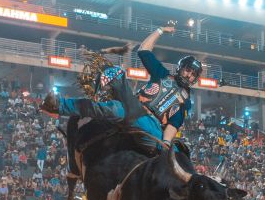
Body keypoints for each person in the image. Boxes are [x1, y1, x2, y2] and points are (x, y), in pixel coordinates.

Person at [41, 26, 202, 151]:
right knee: (114, 81)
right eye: (188, 70)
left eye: (193, 74)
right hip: (131, 107)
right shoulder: (162, 74)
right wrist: (160, 30)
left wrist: (166, 143)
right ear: (181, 67)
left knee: (176, 151)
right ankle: (58, 105)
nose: (189, 75)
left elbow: (174, 124)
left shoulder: (185, 102)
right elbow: (144, 50)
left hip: (151, 125)